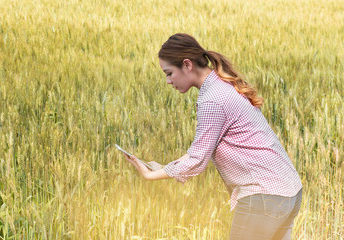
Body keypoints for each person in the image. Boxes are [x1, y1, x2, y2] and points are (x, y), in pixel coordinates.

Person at [122, 33, 303, 240]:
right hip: (288, 191)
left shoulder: (212, 100)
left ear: (187, 65)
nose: (168, 81)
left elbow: (197, 161)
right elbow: (200, 151)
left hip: (264, 197)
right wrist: (164, 168)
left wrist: (150, 175)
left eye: (169, 73)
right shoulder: (224, 85)